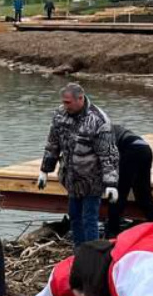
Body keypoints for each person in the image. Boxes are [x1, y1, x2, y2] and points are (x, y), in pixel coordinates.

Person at [36, 82, 118, 245]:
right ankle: (79, 253)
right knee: (74, 216)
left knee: (89, 218)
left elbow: (108, 154)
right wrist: (45, 171)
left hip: (92, 180)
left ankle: (93, 255)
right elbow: (53, 143)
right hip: (71, 179)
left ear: (80, 99)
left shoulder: (98, 120)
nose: (65, 106)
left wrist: (111, 183)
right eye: (63, 102)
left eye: (68, 102)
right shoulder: (60, 115)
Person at [105, 123, 153, 236]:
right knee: (143, 195)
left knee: (118, 194)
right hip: (145, 149)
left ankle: (112, 232)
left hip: (131, 150)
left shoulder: (99, 133)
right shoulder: (112, 127)